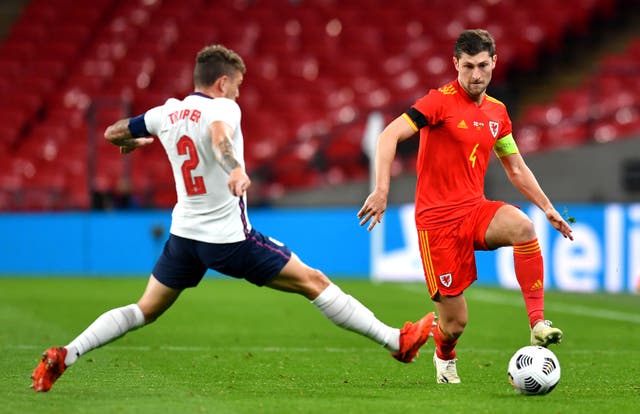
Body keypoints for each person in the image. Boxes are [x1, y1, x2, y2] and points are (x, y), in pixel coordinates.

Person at [31, 45, 435, 392]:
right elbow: (221, 136)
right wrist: (235, 169)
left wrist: (137, 139)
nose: (238, 93)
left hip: (183, 237)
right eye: (238, 85)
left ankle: (67, 354)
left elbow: (113, 131)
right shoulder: (224, 107)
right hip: (227, 239)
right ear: (223, 83)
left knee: (144, 309)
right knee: (315, 281)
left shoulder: (165, 113)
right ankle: (396, 342)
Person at [357, 29, 573, 384]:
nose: (476, 74)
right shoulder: (437, 102)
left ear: (494, 63)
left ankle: (537, 323)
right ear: (455, 64)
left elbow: (515, 167)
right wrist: (381, 189)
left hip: (475, 210)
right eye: (468, 66)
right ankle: (444, 354)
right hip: (437, 222)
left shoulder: (497, 113)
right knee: (455, 323)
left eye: (483, 65)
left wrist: (547, 207)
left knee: (524, 227)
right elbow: (388, 135)